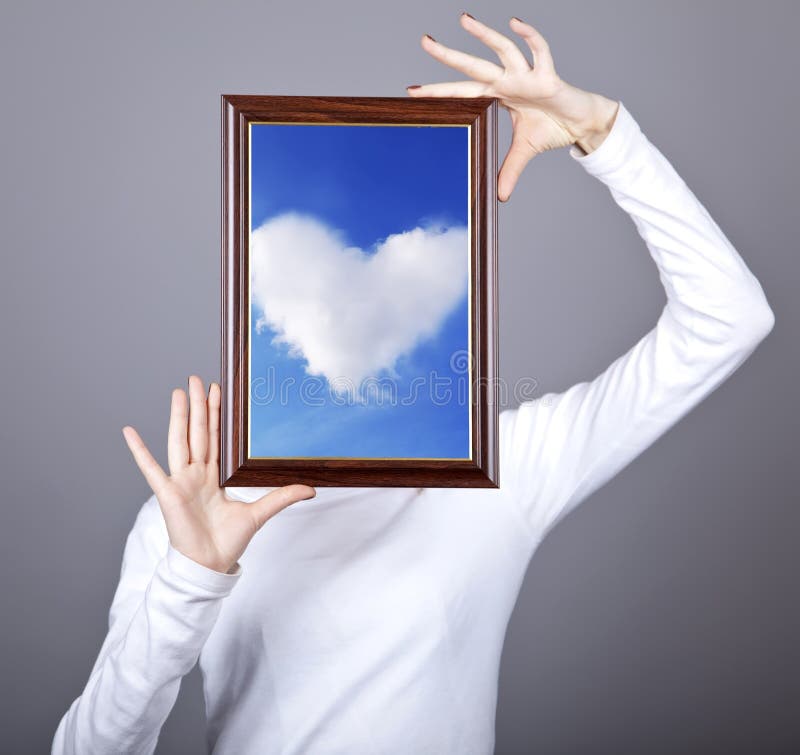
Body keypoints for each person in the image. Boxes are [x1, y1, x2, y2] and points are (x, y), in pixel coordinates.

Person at [52, 13, 775, 755]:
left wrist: (603, 133)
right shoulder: (186, 519)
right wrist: (191, 577)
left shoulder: (498, 476)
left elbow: (730, 318)